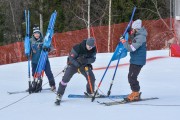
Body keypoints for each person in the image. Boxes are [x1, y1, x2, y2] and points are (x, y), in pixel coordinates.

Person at [55, 37, 98, 105]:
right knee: (65, 79)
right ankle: (59, 94)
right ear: (86, 44)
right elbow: (71, 58)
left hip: (84, 65)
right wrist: (78, 64)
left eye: (92, 46)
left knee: (91, 78)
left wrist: (86, 61)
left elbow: (93, 59)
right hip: (73, 65)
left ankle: (90, 92)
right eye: (89, 46)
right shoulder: (77, 47)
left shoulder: (93, 49)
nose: (90, 48)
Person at [120, 19, 147, 101]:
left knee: (132, 77)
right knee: (131, 76)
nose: (132, 30)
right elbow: (134, 39)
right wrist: (128, 33)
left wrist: (124, 41)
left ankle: (136, 93)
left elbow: (131, 48)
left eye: (133, 29)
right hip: (135, 60)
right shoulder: (139, 35)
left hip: (138, 61)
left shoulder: (140, 37)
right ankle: (135, 92)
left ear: (136, 29)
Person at [29, 25, 56, 92]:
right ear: (33, 34)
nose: (37, 35)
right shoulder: (30, 41)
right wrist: (28, 53)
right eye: (35, 33)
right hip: (35, 61)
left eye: (38, 33)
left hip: (44, 60)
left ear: (40, 33)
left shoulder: (44, 39)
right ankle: (37, 85)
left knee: (48, 73)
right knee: (35, 74)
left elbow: (52, 48)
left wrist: (48, 49)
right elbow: (28, 50)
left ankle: (52, 85)